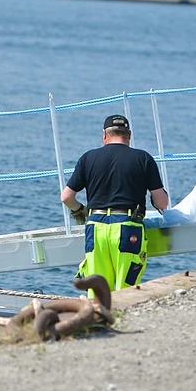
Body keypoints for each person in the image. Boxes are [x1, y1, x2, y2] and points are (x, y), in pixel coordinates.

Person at [60, 114, 169, 294]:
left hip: (96, 228)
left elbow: (66, 197)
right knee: (126, 291)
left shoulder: (88, 158)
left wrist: (80, 210)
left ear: (104, 135)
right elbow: (162, 202)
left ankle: (97, 320)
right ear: (129, 134)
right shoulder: (143, 158)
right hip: (128, 228)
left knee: (97, 291)